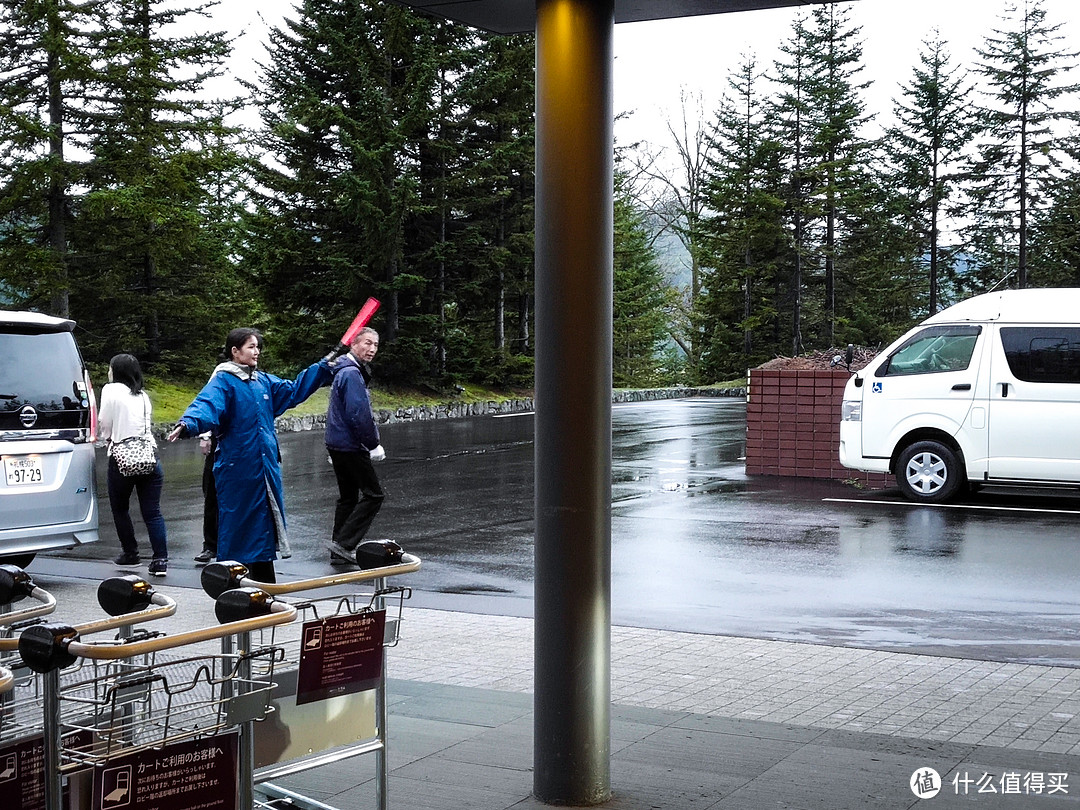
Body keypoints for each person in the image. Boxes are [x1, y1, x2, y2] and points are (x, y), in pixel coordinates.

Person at [167, 328, 332, 582]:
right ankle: (232, 586)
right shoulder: (223, 381)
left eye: (258, 347)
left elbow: (294, 390)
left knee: (263, 529)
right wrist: (187, 423)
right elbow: (207, 404)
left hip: (264, 468)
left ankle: (265, 585)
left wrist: (321, 369)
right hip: (238, 469)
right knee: (238, 528)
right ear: (235, 351)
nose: (257, 352)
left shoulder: (262, 381)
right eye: (251, 347)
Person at [97, 354, 169, 576]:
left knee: (120, 508)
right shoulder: (143, 395)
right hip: (148, 456)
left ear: (116, 371)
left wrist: (104, 437)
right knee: (153, 512)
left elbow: (104, 422)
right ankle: (160, 561)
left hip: (123, 458)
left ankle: (131, 553)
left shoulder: (110, 390)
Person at [325, 327, 386, 565]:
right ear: (354, 344)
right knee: (374, 494)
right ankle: (344, 543)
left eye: (375, 345)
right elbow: (358, 414)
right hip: (350, 445)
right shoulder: (351, 373)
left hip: (337, 444)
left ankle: (338, 550)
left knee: (348, 497)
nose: (371, 349)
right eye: (367, 343)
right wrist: (372, 444)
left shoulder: (344, 371)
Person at [193, 431, 218, 564]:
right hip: (219, 436)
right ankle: (210, 545)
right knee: (211, 496)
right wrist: (206, 436)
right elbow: (211, 409)